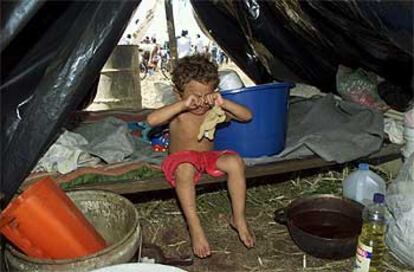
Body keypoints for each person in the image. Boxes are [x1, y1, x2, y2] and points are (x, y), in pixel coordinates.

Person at [146, 55, 255, 258]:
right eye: (194, 96)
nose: (200, 103)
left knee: (235, 162)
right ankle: (195, 228)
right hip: (182, 160)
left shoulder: (212, 110)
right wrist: (183, 105)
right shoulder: (180, 112)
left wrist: (223, 103)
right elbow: (152, 120)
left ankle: (238, 218)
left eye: (206, 95)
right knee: (185, 168)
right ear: (178, 94)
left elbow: (247, 115)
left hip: (207, 157)